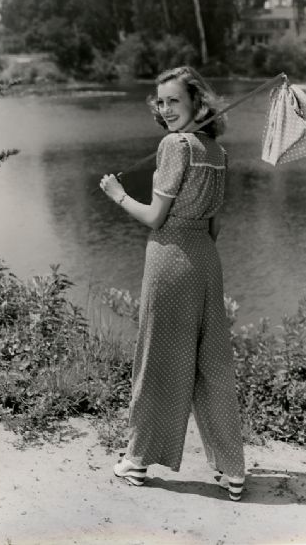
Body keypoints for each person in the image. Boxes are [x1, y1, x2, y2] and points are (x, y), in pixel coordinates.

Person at [99, 66, 245, 501]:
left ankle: (137, 461)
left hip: (170, 259)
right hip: (206, 261)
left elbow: (154, 217)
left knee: (157, 360)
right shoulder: (217, 151)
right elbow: (215, 227)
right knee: (212, 364)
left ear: (197, 103)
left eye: (174, 100)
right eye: (160, 102)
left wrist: (118, 195)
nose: (165, 109)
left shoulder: (174, 145)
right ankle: (232, 470)